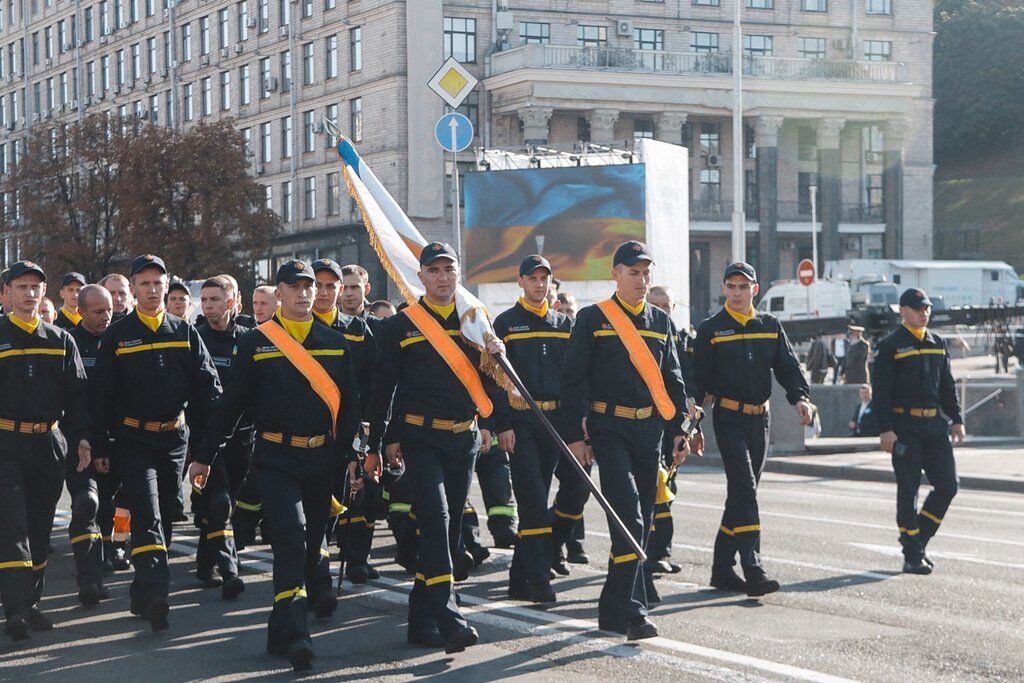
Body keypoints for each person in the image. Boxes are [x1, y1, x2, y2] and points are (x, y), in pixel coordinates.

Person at [190, 259, 361, 672]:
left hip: (321, 460)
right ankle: (298, 633)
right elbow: (232, 405)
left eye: (312, 287)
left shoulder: (336, 342)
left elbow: (350, 408)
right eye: (296, 287)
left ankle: (279, 626)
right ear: (279, 293)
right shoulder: (258, 342)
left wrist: (356, 457)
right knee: (292, 539)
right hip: (275, 459)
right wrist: (205, 455)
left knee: (311, 547)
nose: (306, 294)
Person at [364, 242, 504, 653]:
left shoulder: (475, 323)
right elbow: (382, 389)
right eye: (435, 270)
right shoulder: (401, 326)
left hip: (462, 438)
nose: (443, 277)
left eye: (450, 269)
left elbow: (491, 388)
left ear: (458, 274)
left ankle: (420, 618)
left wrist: (496, 357)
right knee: (438, 519)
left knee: (450, 530)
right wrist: (380, 443)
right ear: (421, 276)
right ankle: (450, 615)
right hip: (418, 438)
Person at [560, 241, 691, 641]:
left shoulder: (660, 320)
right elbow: (572, 379)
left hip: (649, 432)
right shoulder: (592, 318)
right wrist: (574, 437)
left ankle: (611, 607)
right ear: (615, 274)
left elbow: (672, 381)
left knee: (644, 521)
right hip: (609, 430)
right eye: (633, 272)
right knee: (628, 518)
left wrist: (681, 431)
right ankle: (633, 610)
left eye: (646, 272)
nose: (641, 279)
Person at [91, 254, 222, 633]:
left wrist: (206, 445)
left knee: (166, 515)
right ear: (132, 290)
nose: (151, 290)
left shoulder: (183, 331)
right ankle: (157, 594)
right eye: (144, 283)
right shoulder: (118, 335)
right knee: (146, 515)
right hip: (133, 440)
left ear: (167, 288)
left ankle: (141, 587)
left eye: (158, 283)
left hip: (174, 440)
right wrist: (100, 445)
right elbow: (102, 396)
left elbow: (207, 389)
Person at [692, 262, 811, 597]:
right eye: (731, 286)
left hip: (760, 420)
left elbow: (788, 366)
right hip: (728, 418)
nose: (737, 293)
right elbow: (698, 379)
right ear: (724, 289)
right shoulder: (711, 329)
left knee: (743, 495)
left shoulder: (769, 325)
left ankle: (720, 569)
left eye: (743, 287)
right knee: (744, 488)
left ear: (754, 290)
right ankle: (753, 567)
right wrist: (692, 424)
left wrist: (800, 398)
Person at [0, 261, 90, 641]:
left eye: (36, 287)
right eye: (21, 287)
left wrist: (83, 437)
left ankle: (31, 602)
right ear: (5, 294)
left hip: (49, 444)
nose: (30, 293)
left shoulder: (60, 339)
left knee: (39, 527)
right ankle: (15, 608)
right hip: (6, 443)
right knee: (14, 525)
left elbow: (79, 395)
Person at [492, 255, 572, 603]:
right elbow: (495, 379)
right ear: (520, 282)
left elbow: (572, 378)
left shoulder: (563, 324)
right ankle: (539, 579)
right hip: (522, 422)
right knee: (534, 503)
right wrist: (503, 425)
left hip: (553, 424)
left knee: (537, 498)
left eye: (545, 279)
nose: (540, 284)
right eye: (533, 278)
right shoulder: (506, 323)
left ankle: (517, 579)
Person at [872, 288, 965, 575]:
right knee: (909, 490)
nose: (924, 313)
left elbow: (947, 386)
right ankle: (912, 554)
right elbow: (881, 392)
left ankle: (918, 541)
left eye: (926, 308)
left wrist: (956, 420)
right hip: (905, 428)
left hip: (934, 427)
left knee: (948, 485)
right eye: (917, 308)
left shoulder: (937, 343)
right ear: (903, 311)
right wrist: (886, 430)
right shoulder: (890, 346)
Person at [310, 258, 378, 584]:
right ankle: (318, 565)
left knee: (359, 490)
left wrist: (369, 426)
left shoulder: (359, 330)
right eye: (317, 285)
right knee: (320, 497)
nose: (325, 292)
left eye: (331, 286)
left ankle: (356, 558)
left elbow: (373, 381)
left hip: (354, 425)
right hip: (311, 429)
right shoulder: (298, 325)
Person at [190, 276, 251, 599]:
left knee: (224, 506)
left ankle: (205, 563)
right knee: (220, 502)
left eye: (215, 299)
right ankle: (230, 571)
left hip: (242, 437)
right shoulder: (195, 338)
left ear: (231, 302)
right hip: (205, 437)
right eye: (205, 300)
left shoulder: (249, 338)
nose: (209, 305)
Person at [66, 285, 120, 607]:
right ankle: (89, 579)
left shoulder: (118, 341)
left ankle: (110, 555)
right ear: (81, 311)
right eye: (98, 311)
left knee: (109, 508)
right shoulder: (68, 343)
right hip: (80, 440)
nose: (106, 317)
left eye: (109, 309)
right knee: (87, 503)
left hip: (115, 441)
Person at [644, 284, 695, 576]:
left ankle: (661, 551)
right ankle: (652, 552)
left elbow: (689, 379)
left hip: (674, 424)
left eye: (667, 307)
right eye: (656, 305)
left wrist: (691, 417)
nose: (662, 311)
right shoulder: (643, 334)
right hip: (647, 421)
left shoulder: (683, 340)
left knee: (668, 490)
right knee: (653, 488)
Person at [339, 264, 385, 338]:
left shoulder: (380, 328)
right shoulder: (328, 327)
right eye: (344, 288)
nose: (348, 293)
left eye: (354, 287)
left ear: (367, 289)